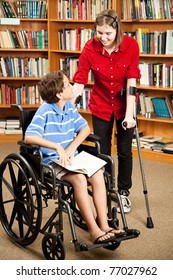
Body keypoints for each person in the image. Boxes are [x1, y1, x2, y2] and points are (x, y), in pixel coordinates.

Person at [24, 70, 124, 244]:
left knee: (98, 173)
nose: (72, 86)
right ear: (59, 93)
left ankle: (104, 224)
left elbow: (84, 129)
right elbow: (29, 137)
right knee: (79, 179)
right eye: (68, 84)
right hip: (52, 162)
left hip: (72, 158)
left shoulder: (69, 107)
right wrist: (56, 147)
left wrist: (71, 147)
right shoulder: (44, 111)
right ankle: (94, 230)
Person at [72, 9, 141, 213]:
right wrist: (65, 106)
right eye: (99, 33)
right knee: (102, 151)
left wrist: (129, 115)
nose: (103, 38)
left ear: (116, 31)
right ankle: (105, 188)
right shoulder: (90, 48)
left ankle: (123, 193)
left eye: (108, 34)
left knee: (124, 150)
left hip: (124, 105)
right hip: (101, 104)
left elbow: (131, 83)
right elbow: (80, 79)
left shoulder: (130, 45)